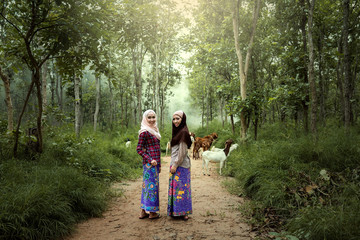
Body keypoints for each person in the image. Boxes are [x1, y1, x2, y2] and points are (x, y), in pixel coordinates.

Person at [167, 110, 193, 220]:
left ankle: (184, 212)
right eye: (174, 119)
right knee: (176, 189)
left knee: (182, 189)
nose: (175, 121)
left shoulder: (183, 132)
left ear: (183, 119)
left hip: (180, 166)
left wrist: (175, 165)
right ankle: (176, 211)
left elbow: (182, 152)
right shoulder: (178, 131)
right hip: (175, 164)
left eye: (178, 118)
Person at [136, 110, 161, 219]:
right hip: (149, 164)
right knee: (151, 187)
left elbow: (156, 149)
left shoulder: (154, 130)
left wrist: (159, 165)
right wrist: (150, 160)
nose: (151, 120)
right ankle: (152, 213)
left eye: (153, 117)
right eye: (149, 117)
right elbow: (139, 149)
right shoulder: (144, 132)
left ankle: (143, 211)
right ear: (145, 119)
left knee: (147, 187)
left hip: (154, 164)